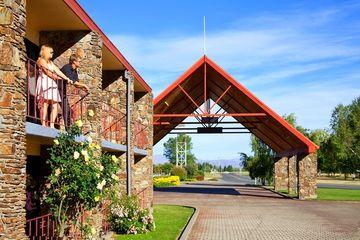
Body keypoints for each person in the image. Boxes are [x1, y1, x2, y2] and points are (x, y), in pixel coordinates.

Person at [36, 45, 73, 128]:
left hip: (52, 84)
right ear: (45, 52)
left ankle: (52, 124)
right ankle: (43, 124)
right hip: (45, 82)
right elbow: (48, 73)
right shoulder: (41, 60)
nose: (52, 53)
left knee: (55, 104)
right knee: (45, 103)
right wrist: (61, 79)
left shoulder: (51, 62)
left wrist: (66, 78)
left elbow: (57, 71)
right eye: (51, 52)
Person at [60, 54, 89, 127]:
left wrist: (83, 89)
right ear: (74, 61)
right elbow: (73, 82)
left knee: (68, 110)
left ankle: (68, 128)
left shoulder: (75, 71)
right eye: (79, 61)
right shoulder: (67, 68)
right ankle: (67, 129)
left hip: (62, 89)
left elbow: (76, 84)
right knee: (66, 109)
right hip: (57, 87)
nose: (80, 63)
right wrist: (84, 85)